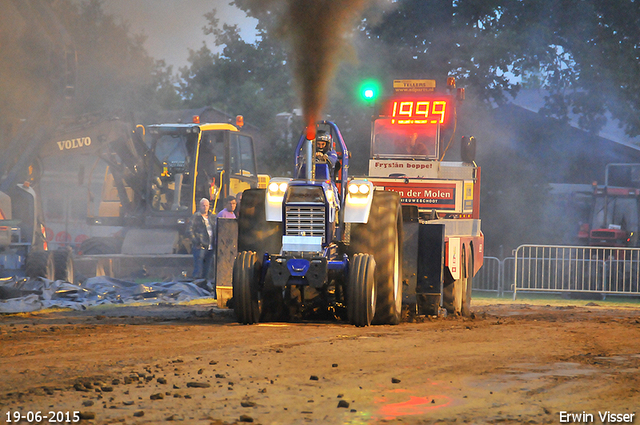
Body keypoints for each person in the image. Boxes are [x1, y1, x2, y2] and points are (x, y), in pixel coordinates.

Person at [189, 198, 216, 281]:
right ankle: (196, 285)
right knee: (198, 268)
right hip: (200, 246)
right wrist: (196, 242)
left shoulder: (212, 217)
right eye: (203, 205)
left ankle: (205, 285)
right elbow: (189, 230)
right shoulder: (195, 217)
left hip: (210, 246)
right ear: (199, 206)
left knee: (207, 268)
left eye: (206, 205)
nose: (205, 207)